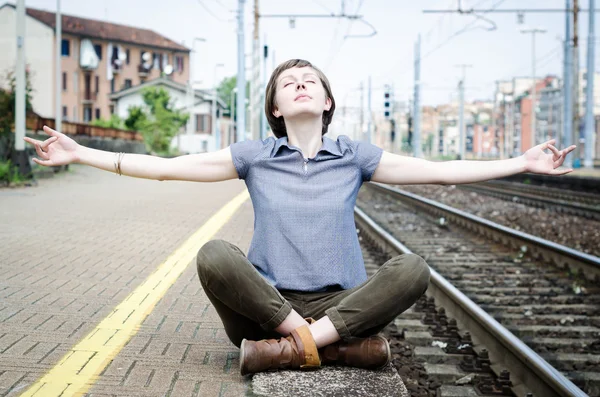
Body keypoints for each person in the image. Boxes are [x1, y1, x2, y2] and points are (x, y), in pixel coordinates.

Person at [25, 59, 576, 377]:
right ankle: (319, 343)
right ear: (276, 109)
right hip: (267, 306)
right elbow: (168, 168)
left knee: (412, 268)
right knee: (214, 253)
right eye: (289, 83)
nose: (301, 84)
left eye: (310, 79)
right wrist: (83, 155)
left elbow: (440, 170)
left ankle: (297, 348)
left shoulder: (355, 156)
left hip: (342, 301)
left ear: (328, 102)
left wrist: (520, 162)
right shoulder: (254, 156)